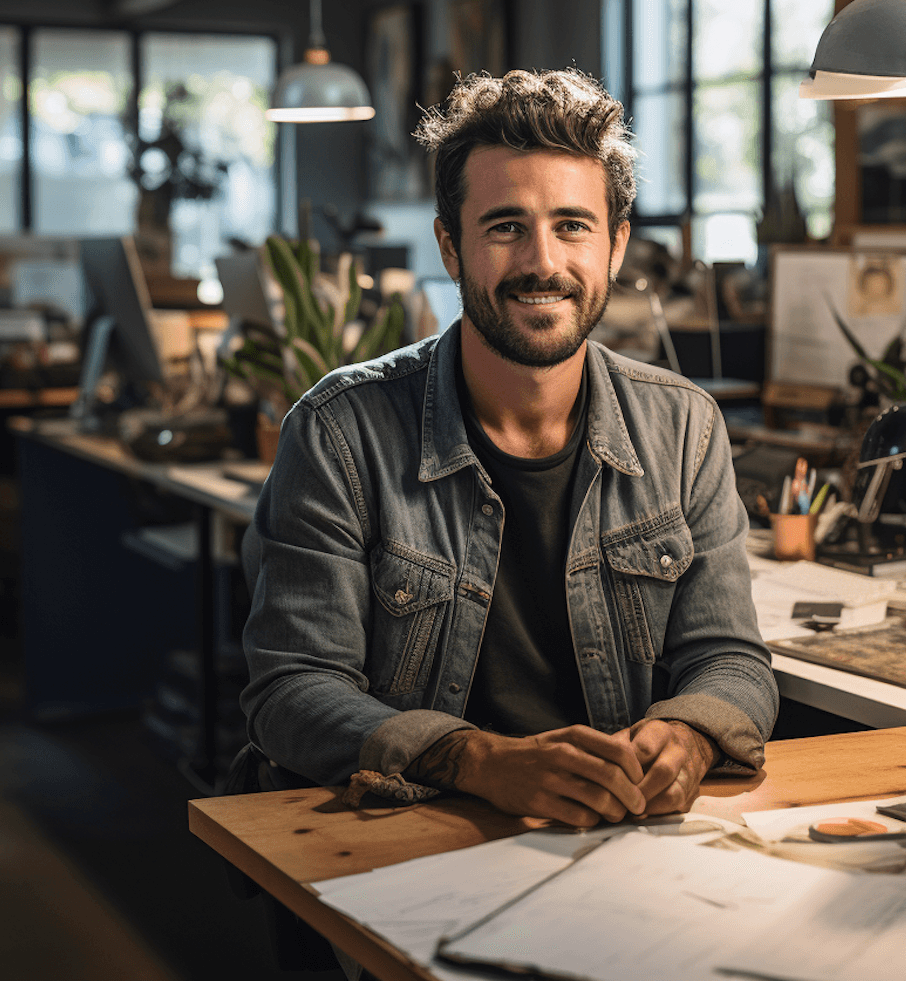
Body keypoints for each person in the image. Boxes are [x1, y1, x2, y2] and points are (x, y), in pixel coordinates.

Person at [240, 68, 777, 829]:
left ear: (616, 245)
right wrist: (478, 762)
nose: (542, 263)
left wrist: (689, 731)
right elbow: (292, 689)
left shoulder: (683, 426)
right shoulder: (339, 431)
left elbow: (732, 659)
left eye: (572, 226)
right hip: (416, 829)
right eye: (504, 227)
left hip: (621, 832)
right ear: (451, 246)